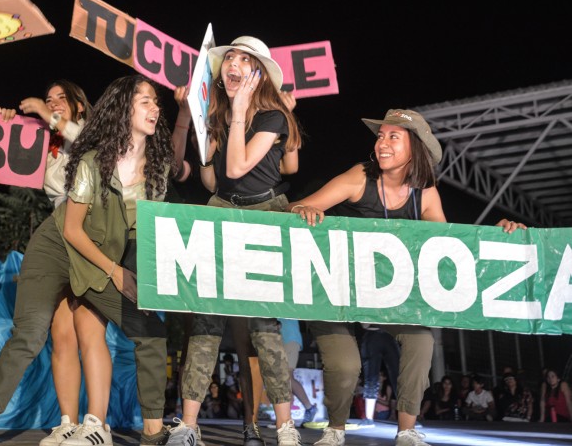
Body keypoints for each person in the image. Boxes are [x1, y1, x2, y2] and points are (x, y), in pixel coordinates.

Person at [0, 74, 190, 446]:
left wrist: (139, 275)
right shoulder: (92, 160)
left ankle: (153, 433)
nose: (155, 107)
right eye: (145, 101)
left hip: (101, 253)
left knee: (148, 329)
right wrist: (116, 272)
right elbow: (71, 230)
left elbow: (145, 229)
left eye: (155, 102)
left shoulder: (157, 168)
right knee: (32, 333)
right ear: (122, 109)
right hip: (58, 246)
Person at [287, 108, 525, 446]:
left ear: (415, 148)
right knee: (345, 365)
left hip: (389, 297)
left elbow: (453, 244)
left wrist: (499, 235)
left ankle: (407, 431)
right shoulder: (361, 176)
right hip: (338, 290)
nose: (381, 143)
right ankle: (335, 429)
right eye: (380, 136)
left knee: (422, 340)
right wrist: (304, 210)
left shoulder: (425, 193)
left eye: (392, 137)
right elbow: (297, 206)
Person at [175, 36, 302, 446]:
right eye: (228, 56)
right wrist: (202, 130)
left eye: (243, 59)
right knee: (206, 321)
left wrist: (240, 112)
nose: (232, 62)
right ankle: (189, 425)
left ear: (257, 74)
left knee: (265, 326)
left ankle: (285, 428)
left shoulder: (270, 116)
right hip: (222, 209)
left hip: (264, 215)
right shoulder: (221, 114)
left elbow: (240, 164)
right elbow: (215, 178)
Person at [0, 79, 108, 446]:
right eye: (48, 98)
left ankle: (97, 425)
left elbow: (95, 150)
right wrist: (9, 124)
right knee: (61, 335)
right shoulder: (49, 140)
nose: (53, 103)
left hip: (90, 228)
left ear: (78, 104)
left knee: (89, 330)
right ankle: (68, 422)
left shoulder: (92, 130)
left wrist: (49, 115)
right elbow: (10, 152)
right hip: (56, 230)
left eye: (61, 98)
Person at [359, 323, 400, 427]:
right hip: (372, 333)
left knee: (399, 377)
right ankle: (368, 418)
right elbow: (364, 324)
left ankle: (408, 417)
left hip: (390, 335)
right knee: (371, 377)